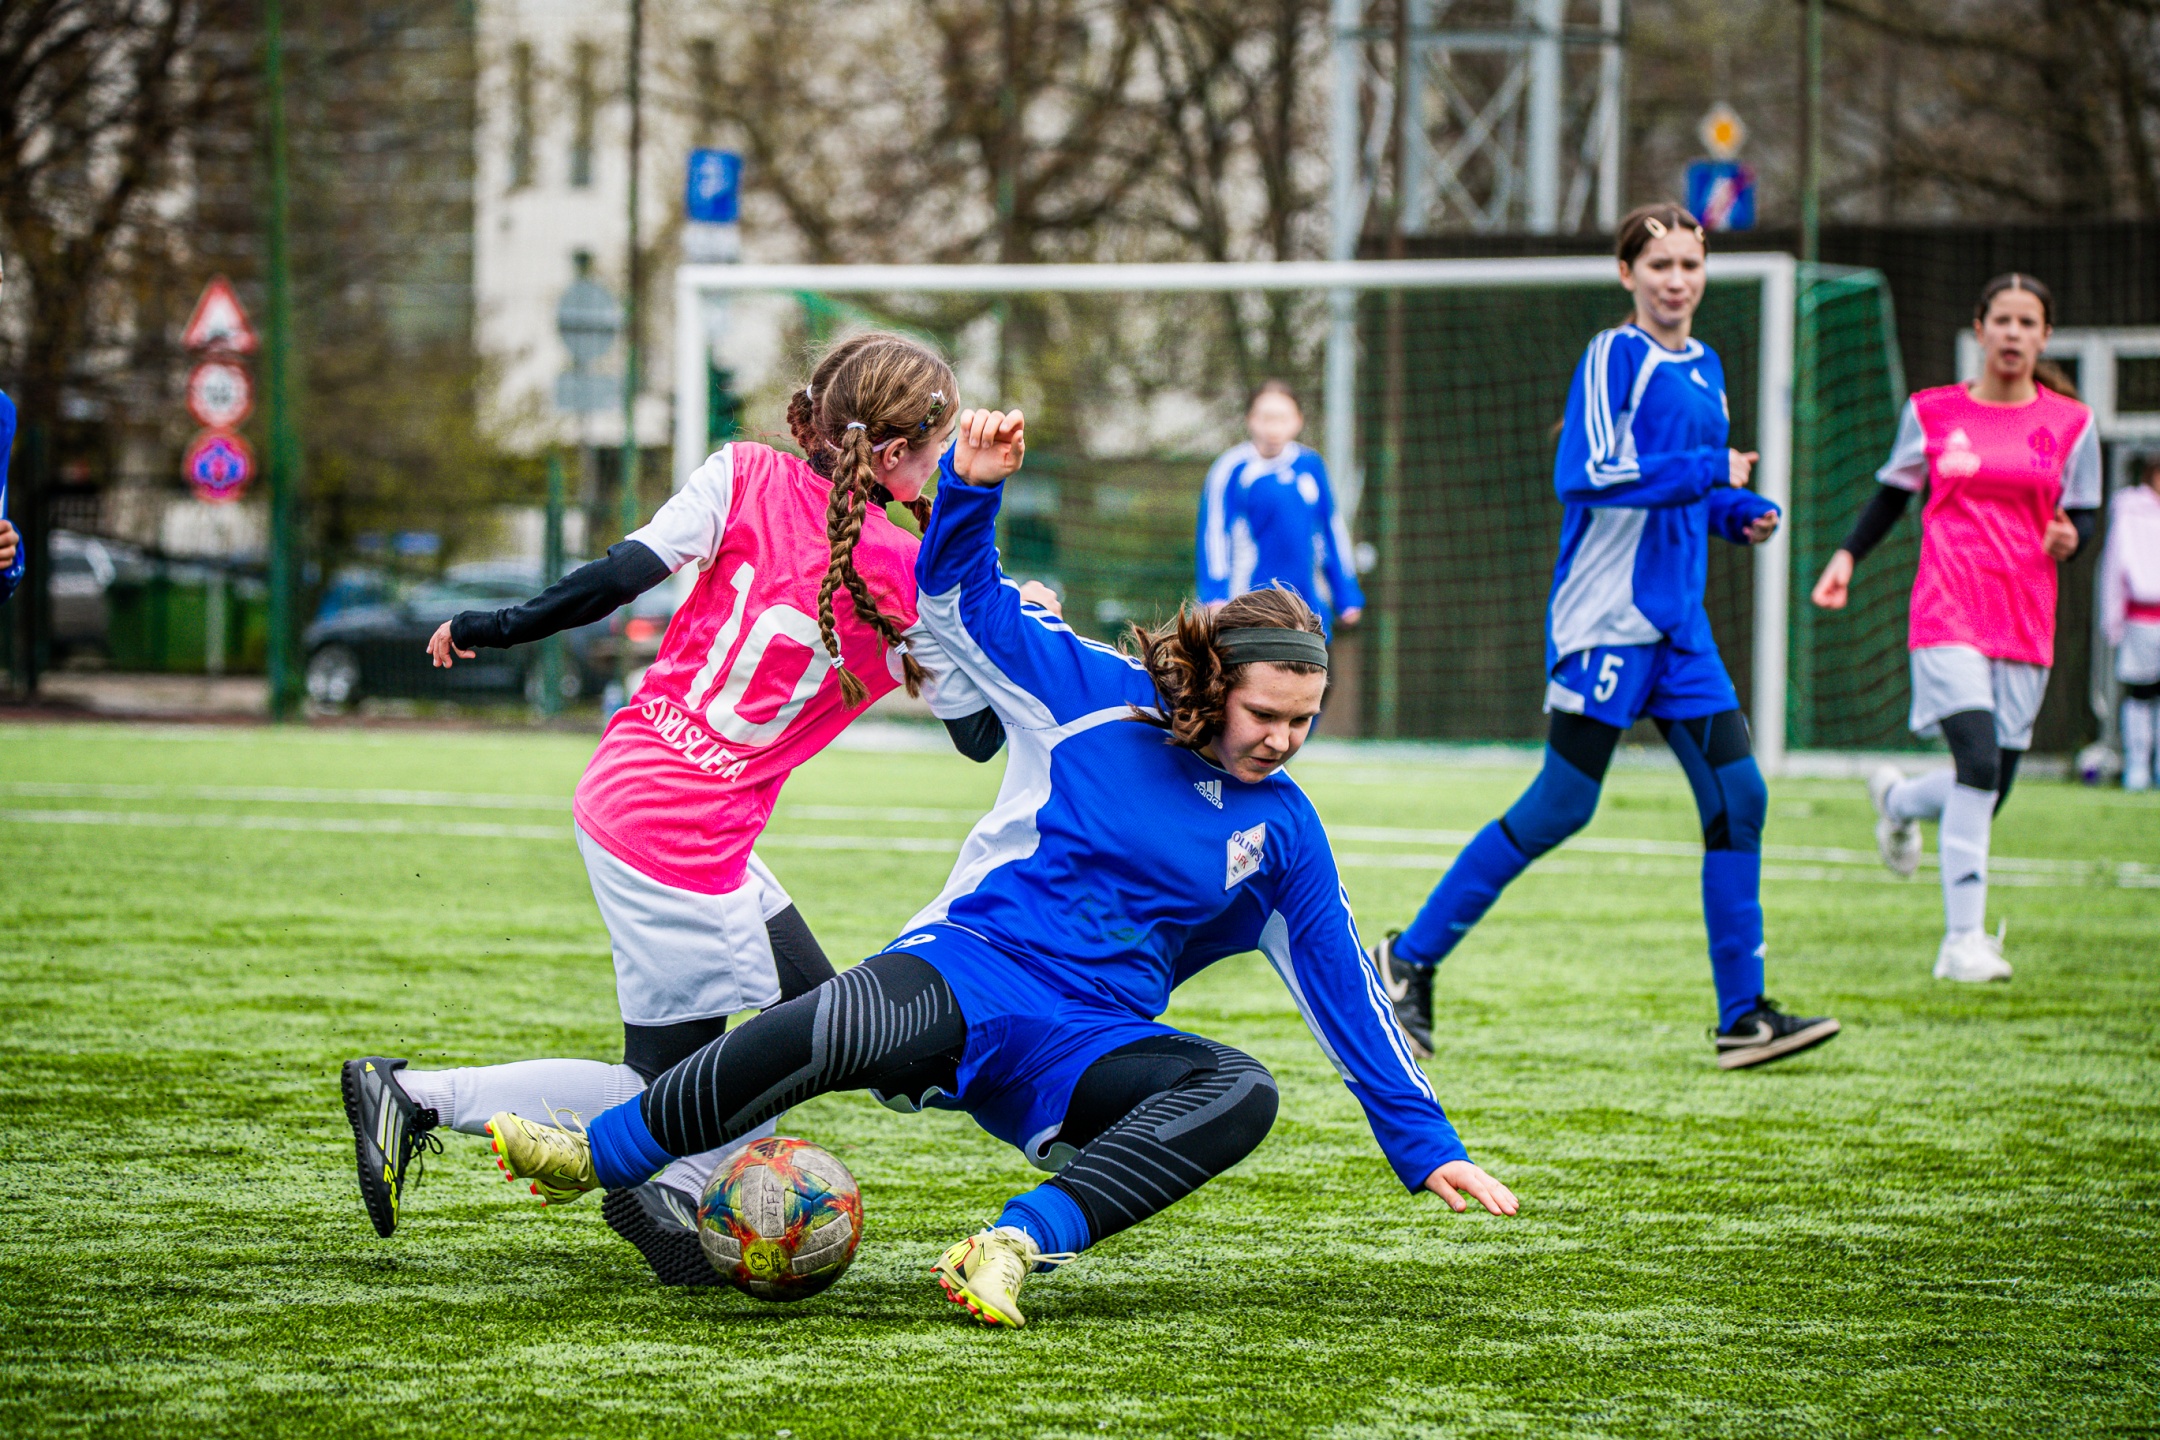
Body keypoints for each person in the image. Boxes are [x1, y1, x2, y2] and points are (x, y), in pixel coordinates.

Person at [481, 405, 1518, 1329]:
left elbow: (1344, 986)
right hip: (967, 971)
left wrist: (1424, 1142)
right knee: (834, 1022)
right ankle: (597, 1154)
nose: (1285, 740)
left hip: (1084, 1044)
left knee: (1239, 1090)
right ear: (1214, 682)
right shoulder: (1095, 697)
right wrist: (972, 490)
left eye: (1305, 721)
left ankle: (1015, 1244)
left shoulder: (1283, 832)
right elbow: (957, 598)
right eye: (1267, 715)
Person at [339, 332, 1010, 1286]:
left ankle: (670, 1185)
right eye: (935, 452)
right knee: (696, 1081)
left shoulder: (743, 472)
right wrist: (989, 622)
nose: (937, 470)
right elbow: (979, 737)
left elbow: (615, 577)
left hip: (634, 786)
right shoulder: (910, 572)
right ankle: (427, 1101)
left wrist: (494, 625)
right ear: (898, 453)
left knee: (820, 1022)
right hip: (684, 839)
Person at [1369, 202, 1839, 1072]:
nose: (1676, 280)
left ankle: (1743, 1017)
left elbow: (1690, 492)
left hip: (1680, 630)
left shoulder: (1706, 365)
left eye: (1690, 265)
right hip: (1608, 621)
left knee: (1741, 798)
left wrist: (1737, 511)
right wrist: (1709, 471)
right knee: (1562, 804)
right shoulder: (1612, 355)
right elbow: (1582, 473)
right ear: (1627, 275)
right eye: (1659, 265)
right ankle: (1407, 959)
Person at [1813, 273, 2100, 981]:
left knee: (1990, 788)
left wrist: (2074, 538)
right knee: (1976, 764)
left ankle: (1899, 800)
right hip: (1947, 610)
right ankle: (1961, 943)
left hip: (2024, 618)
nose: (2013, 333)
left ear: (2045, 336)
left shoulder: (2073, 424)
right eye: (2001, 320)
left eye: (2027, 322)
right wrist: (1846, 557)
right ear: (1979, 329)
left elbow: (2084, 516)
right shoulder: (1932, 412)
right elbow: (1891, 495)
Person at [1195, 381, 1363, 637]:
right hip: (1250, 610)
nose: (1273, 427)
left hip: (1308, 609)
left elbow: (1331, 530)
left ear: (1298, 421)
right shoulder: (1231, 469)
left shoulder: (1311, 465)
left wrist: (1346, 595)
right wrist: (1215, 595)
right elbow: (1214, 534)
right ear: (1251, 420)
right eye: (1266, 418)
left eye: (1282, 418)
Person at [2102, 455, 2160, 792]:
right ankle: (2137, 764)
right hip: (2142, 618)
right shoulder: (2130, 512)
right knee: (2141, 692)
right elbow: (2114, 568)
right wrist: (2113, 618)